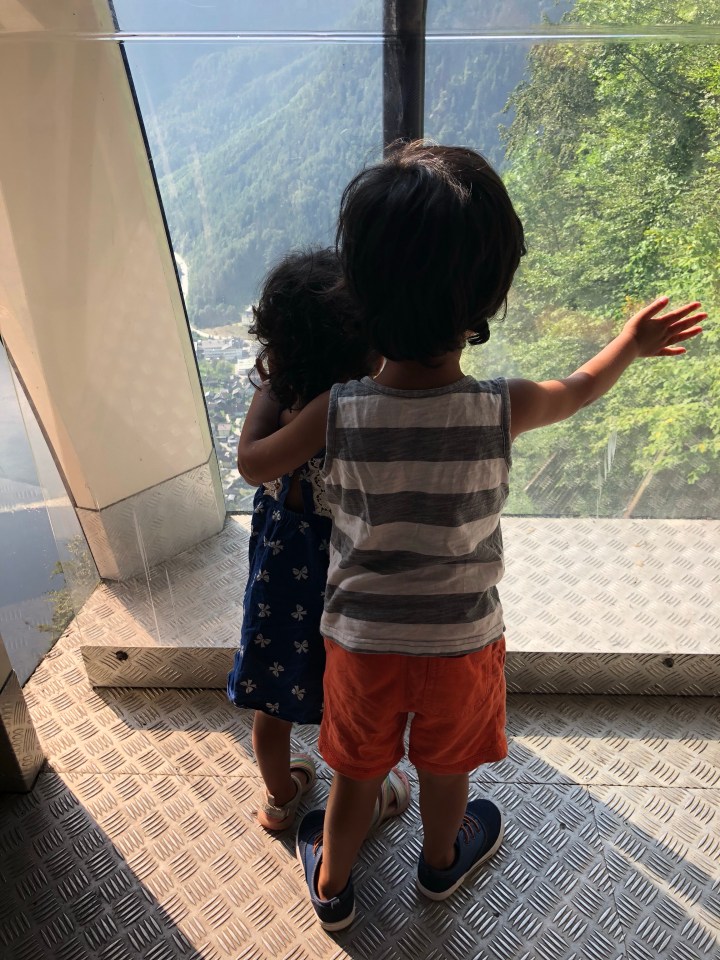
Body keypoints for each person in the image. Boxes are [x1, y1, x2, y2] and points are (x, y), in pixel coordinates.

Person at [237, 143, 705, 931]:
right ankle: (441, 864)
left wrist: (277, 376)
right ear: (490, 294)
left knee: (355, 773)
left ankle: (333, 885)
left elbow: (256, 465)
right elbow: (579, 389)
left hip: (361, 643)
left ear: (361, 289)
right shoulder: (501, 406)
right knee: (446, 767)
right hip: (460, 644)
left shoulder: (336, 410)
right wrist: (630, 342)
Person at [229, 248, 410, 834]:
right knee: (355, 692)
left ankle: (280, 797)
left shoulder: (280, 393)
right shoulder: (356, 405)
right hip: (350, 567)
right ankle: (370, 791)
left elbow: (252, 464)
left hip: (284, 569)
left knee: (273, 697)